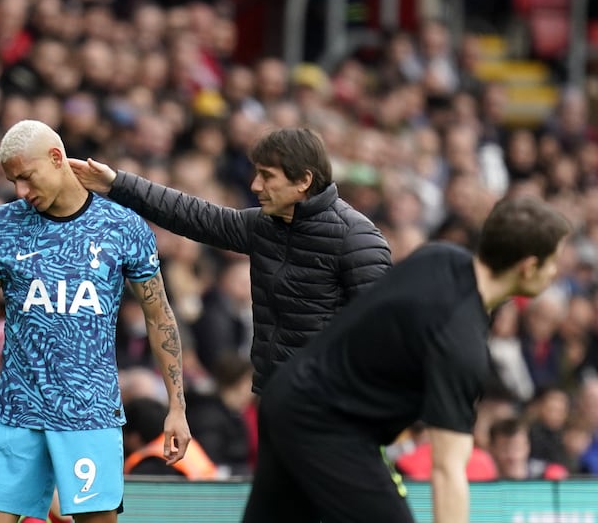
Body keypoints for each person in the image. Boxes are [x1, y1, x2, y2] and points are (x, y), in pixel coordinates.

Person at [0, 120, 191, 523]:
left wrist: (177, 408)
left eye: (26, 177)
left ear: (56, 158)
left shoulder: (123, 227)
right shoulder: (0, 226)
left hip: (88, 414)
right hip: (15, 411)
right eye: (12, 182)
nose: (21, 192)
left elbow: (159, 317)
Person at [240, 196, 571, 523]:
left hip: (284, 396)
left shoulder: (437, 256)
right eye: (552, 262)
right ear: (528, 268)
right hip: (328, 427)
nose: (555, 271)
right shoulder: (460, 344)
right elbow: (447, 471)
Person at [69, 127, 392, 394]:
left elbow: (384, 333)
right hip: (277, 396)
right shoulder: (266, 226)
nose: (255, 186)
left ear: (304, 181)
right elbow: (191, 215)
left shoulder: (357, 239)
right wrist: (116, 184)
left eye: (267, 176)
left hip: (331, 403)